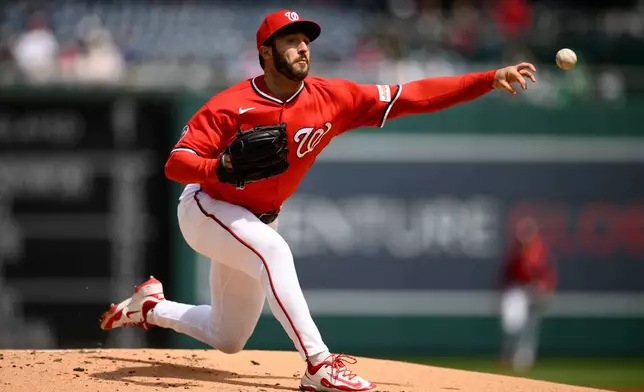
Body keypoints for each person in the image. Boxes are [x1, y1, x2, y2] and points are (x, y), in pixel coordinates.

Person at [100, 9, 537, 392]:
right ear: (266, 53)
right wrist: (220, 169)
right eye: (291, 41)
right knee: (273, 251)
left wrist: (486, 80)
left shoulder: (333, 98)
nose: (303, 48)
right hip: (205, 208)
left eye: (306, 41)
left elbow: (410, 96)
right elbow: (176, 163)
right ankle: (319, 365)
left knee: (229, 336)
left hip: (255, 220)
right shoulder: (230, 106)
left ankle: (150, 307)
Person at [498, 217, 557, 373]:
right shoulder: (515, 252)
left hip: (533, 290)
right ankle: (509, 355)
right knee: (513, 324)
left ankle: (524, 357)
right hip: (517, 291)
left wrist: (545, 288)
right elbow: (506, 274)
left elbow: (546, 274)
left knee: (530, 325)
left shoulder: (539, 251)